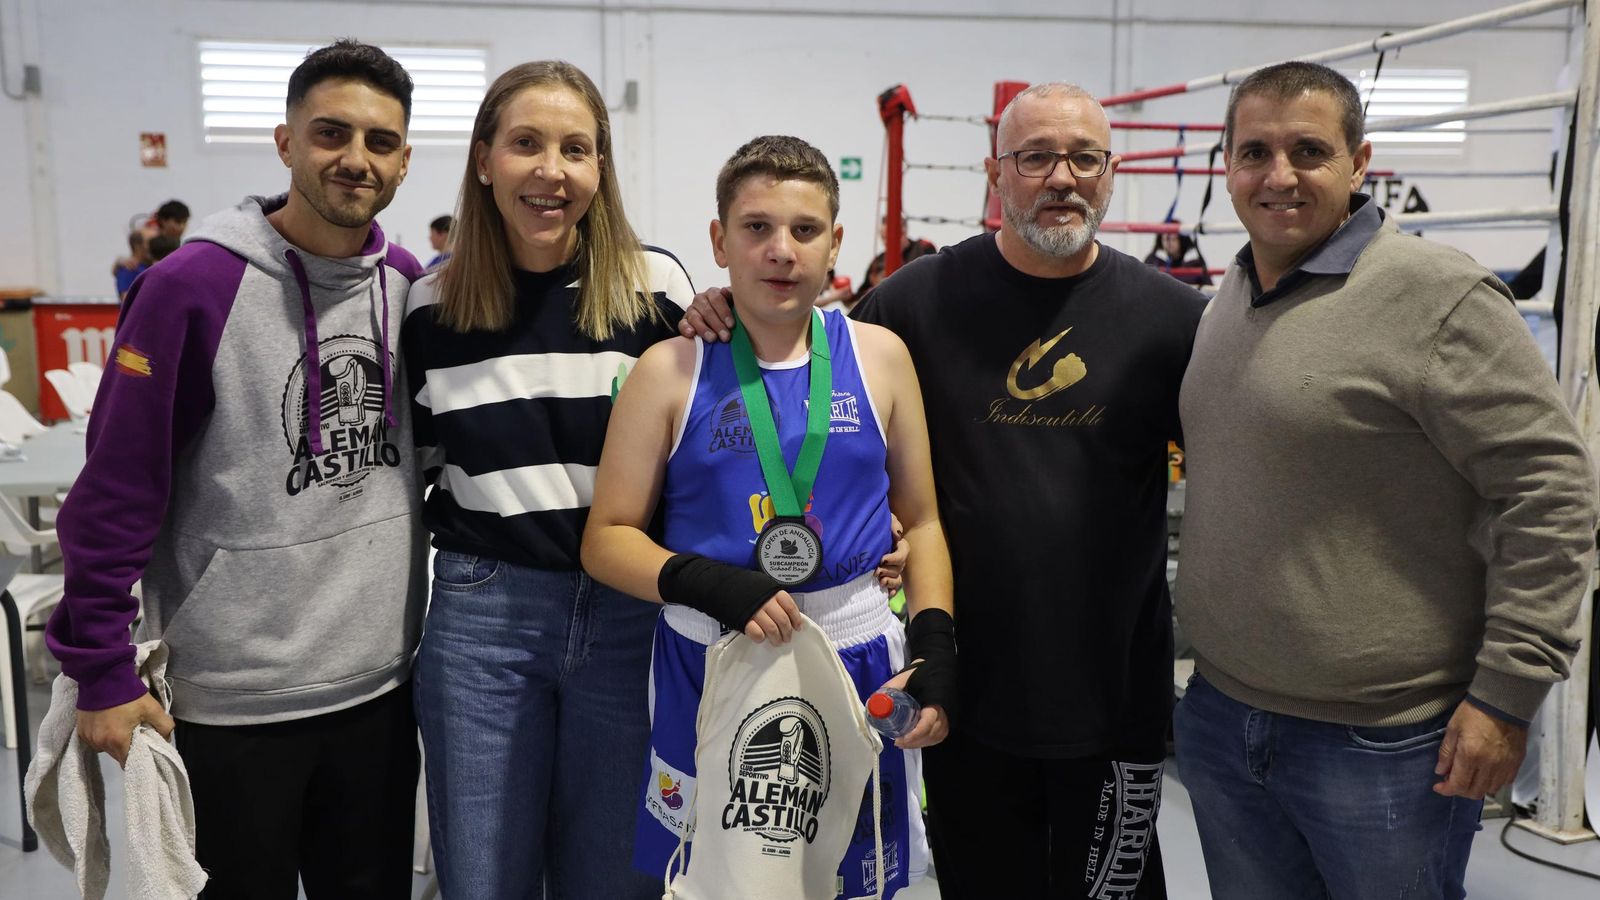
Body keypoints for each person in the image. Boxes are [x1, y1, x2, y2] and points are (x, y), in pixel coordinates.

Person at [680, 83, 1204, 898]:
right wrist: (723, 312)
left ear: (1110, 173)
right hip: (960, 690)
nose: (1060, 176)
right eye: (1034, 158)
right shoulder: (914, 303)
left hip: (1112, 697)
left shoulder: (1174, 319)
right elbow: (808, 362)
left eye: (1084, 158)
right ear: (996, 174)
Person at [1173, 61, 1599, 900]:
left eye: (1309, 151)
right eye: (1255, 151)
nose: (1280, 175)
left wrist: (1506, 697)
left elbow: (1551, 494)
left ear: (1360, 162)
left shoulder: (1435, 295)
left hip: (1385, 743)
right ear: (1226, 166)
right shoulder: (1235, 290)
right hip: (1223, 714)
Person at [46, 40, 427, 899]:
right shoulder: (192, 286)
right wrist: (99, 667)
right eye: (331, 133)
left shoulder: (407, 288)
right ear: (286, 142)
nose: (354, 159)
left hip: (378, 692)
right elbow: (115, 491)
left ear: (405, 160)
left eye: (379, 141)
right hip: (229, 704)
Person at [582, 134, 954, 899]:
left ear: (835, 243)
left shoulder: (880, 356)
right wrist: (707, 584)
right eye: (756, 228)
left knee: (850, 880)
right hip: (712, 656)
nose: (781, 250)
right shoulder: (670, 368)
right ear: (719, 242)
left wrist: (937, 642)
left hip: (854, 653)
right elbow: (606, 538)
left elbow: (922, 522)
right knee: (715, 882)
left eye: (805, 229)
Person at [399, 60, 693, 899]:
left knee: (617, 877)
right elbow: (418, 471)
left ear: (600, 171)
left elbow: (707, 451)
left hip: (632, 620)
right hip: (485, 619)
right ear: (484, 159)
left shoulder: (658, 289)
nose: (550, 170)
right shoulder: (430, 307)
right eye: (526, 143)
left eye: (576, 149)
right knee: (485, 877)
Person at [1143, 229, 1212, 286]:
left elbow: (1209, 287)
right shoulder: (1153, 261)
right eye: (1165, 239)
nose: (1169, 243)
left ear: (1181, 240)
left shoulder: (1195, 262)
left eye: (1173, 239)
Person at [112, 230, 150, 300]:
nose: (152, 246)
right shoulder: (128, 269)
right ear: (137, 246)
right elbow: (127, 301)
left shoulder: (148, 266)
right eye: (148, 243)